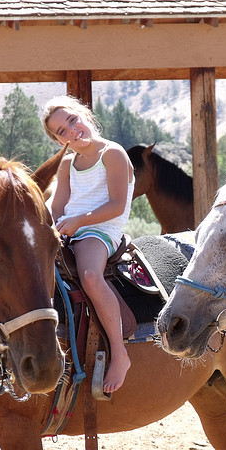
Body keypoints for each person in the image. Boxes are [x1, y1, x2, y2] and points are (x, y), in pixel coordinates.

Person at [43, 95, 134, 393]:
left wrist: (79, 222)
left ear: (83, 114)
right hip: (71, 227)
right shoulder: (68, 163)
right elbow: (58, 206)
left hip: (99, 230)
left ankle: (120, 354)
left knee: (91, 277)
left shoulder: (112, 153)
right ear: (59, 142)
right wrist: (43, 225)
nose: (72, 131)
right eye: (62, 132)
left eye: (72, 120)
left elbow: (117, 205)